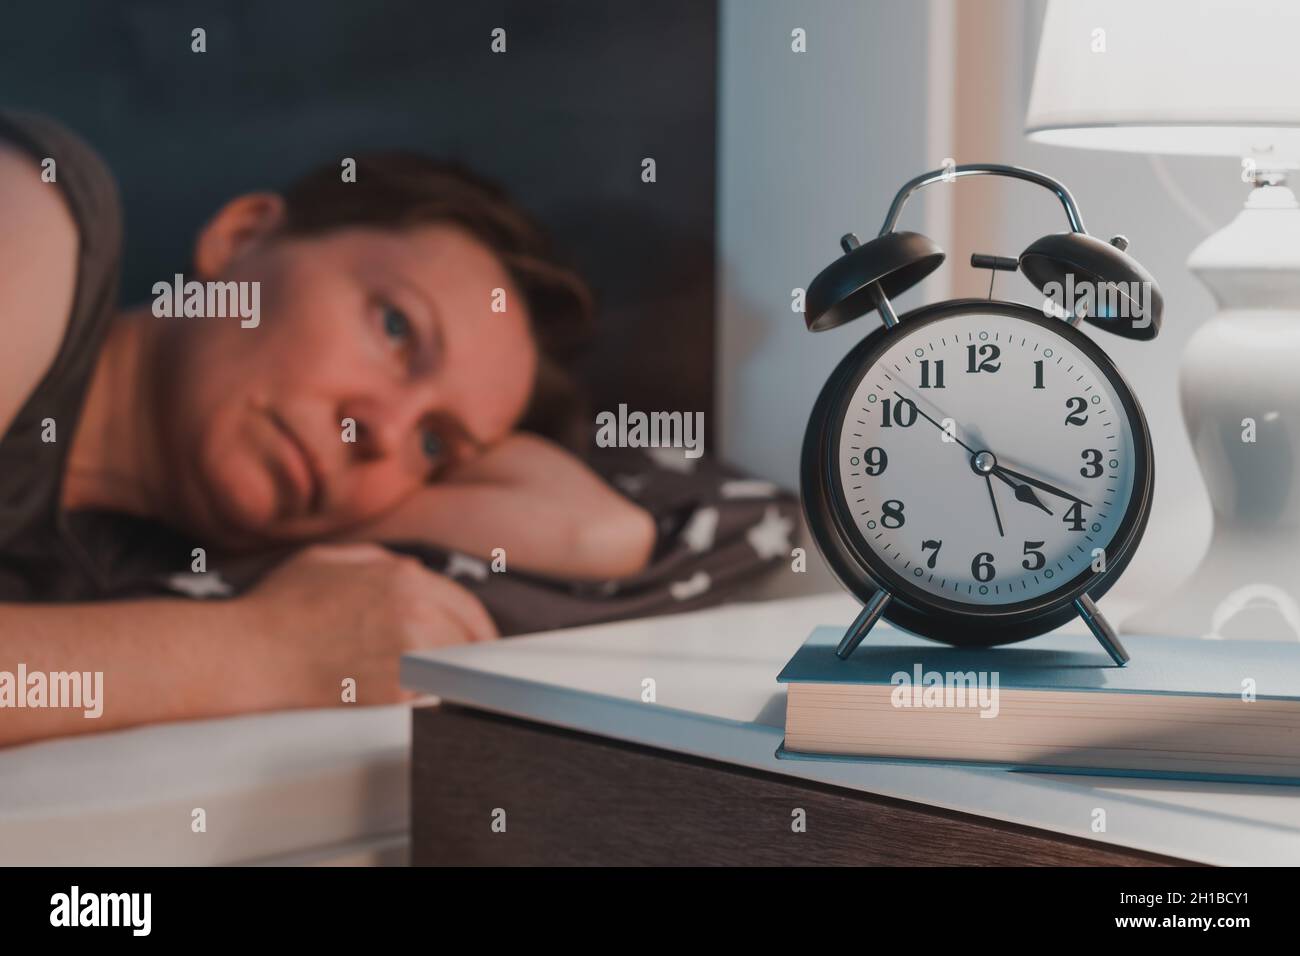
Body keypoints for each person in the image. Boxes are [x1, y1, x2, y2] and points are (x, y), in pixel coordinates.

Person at [0, 111, 657, 746]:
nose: (382, 432)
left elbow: (600, 533)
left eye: (433, 445)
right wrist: (264, 649)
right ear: (243, 237)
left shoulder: (129, 566)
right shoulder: (40, 220)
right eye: (395, 328)